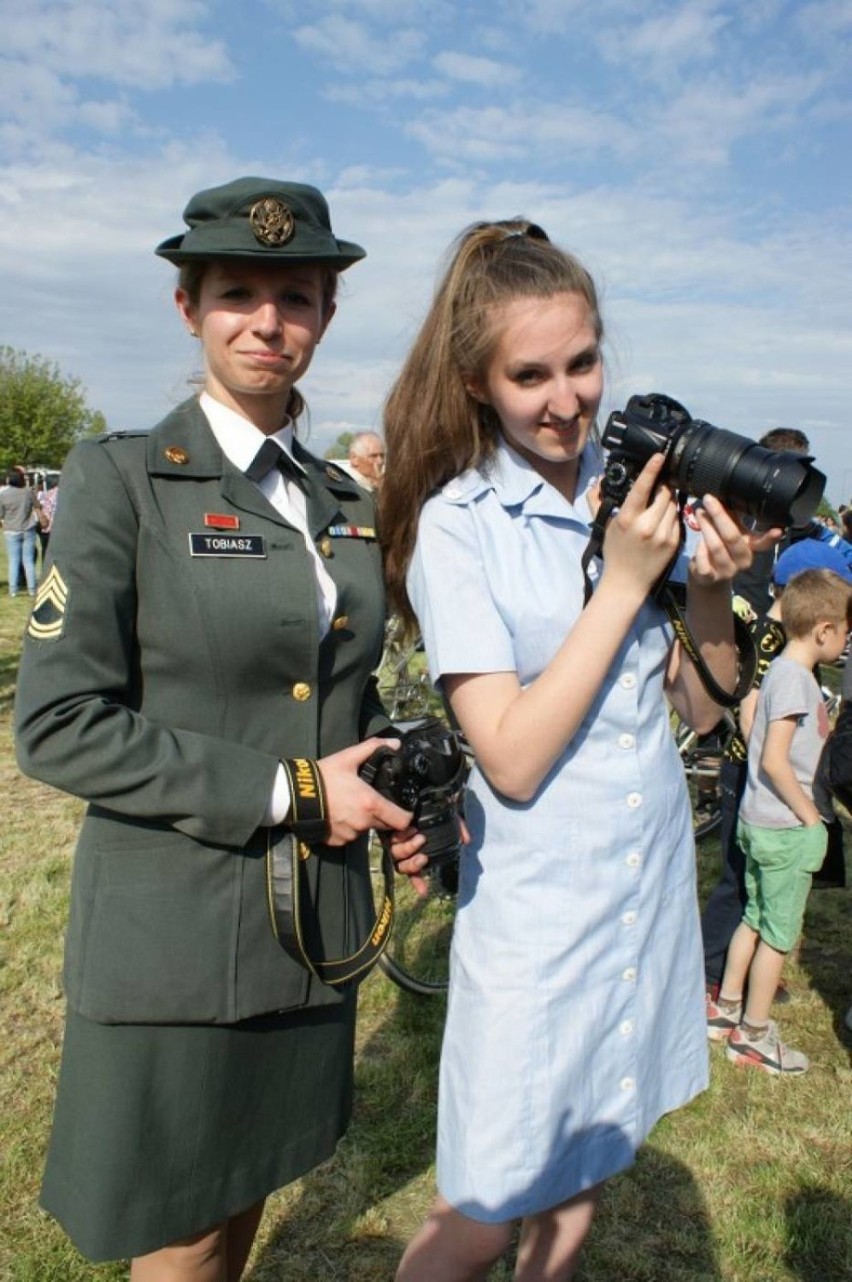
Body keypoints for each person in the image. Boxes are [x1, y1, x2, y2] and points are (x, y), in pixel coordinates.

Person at [14, 177, 426, 1281]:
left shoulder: (343, 499)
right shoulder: (125, 479)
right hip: (183, 939)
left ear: (327, 315)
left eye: (295, 296)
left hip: (313, 932)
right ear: (187, 306)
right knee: (185, 1235)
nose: (267, 320)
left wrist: (398, 792)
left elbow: (340, 690)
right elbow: (57, 723)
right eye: (236, 291)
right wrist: (294, 790)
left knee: (246, 1193)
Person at [379, 218, 766, 1281]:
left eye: (584, 362)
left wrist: (708, 588)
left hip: (642, 902)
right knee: (487, 1208)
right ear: (475, 383)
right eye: (531, 374)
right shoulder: (460, 524)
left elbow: (701, 705)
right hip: (541, 921)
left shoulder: (630, 490)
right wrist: (631, 582)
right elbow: (507, 753)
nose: (567, 400)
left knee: (585, 1177)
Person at [706, 569, 851, 1074]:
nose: (847, 641)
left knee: (753, 917)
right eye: (846, 631)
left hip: (757, 821)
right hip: (784, 829)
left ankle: (726, 1007)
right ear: (825, 629)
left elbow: (756, 733)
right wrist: (812, 819)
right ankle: (754, 1033)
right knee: (778, 934)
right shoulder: (795, 680)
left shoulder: (779, 672)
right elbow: (773, 761)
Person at [0, 469, 38, 597]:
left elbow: (1, 514)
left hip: (11, 530)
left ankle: (13, 590)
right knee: (28, 561)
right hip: (28, 528)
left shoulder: (3, 495)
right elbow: (38, 506)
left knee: (13, 561)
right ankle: (32, 589)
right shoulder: (28, 493)